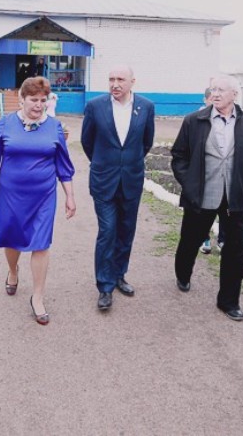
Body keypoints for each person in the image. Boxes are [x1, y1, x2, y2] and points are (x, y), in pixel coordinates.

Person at [0, 76, 76, 325]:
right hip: (11, 195)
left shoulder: (54, 126)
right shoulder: (5, 124)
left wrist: (70, 196)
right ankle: (13, 271)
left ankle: (38, 297)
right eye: (34, 100)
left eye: (43, 100)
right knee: (11, 239)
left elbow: (63, 165)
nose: (39, 105)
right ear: (21, 99)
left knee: (41, 243)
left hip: (44, 196)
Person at [171, 74, 243, 321]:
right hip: (201, 196)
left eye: (221, 90)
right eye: (213, 90)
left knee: (236, 251)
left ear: (235, 94)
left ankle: (229, 301)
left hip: (236, 198)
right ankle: (183, 274)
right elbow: (178, 156)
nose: (216, 94)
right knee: (190, 241)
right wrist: (190, 184)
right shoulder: (194, 121)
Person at [80, 65, 155, 311]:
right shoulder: (95, 106)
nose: (115, 84)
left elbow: (146, 142)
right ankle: (105, 286)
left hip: (131, 180)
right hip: (104, 181)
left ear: (132, 81)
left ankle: (120, 274)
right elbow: (87, 141)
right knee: (108, 230)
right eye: (111, 79)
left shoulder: (146, 107)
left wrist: (127, 164)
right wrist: (104, 164)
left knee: (126, 230)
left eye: (120, 79)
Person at [199, 87, 226, 255]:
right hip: (206, 174)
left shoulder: (227, 119)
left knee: (224, 210)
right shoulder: (197, 120)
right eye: (211, 99)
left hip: (224, 175)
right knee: (206, 210)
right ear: (205, 100)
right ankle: (205, 239)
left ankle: (223, 240)